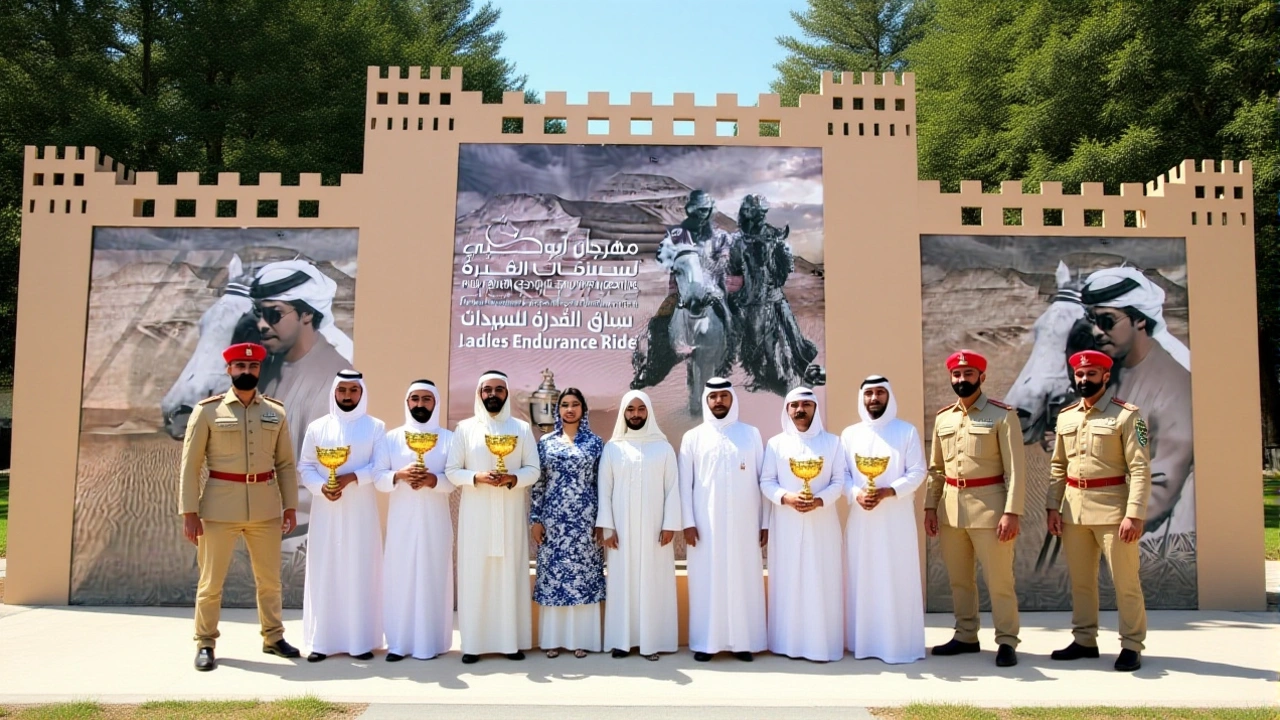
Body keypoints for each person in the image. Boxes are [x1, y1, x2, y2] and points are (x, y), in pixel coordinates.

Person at [179, 342, 301, 672]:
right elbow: (190, 466)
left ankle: (273, 637)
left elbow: (286, 464)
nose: (247, 372)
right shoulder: (207, 411)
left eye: (253, 368)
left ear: (260, 370)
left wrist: (290, 506)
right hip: (218, 508)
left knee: (270, 580)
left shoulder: (275, 412)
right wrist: (189, 513)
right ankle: (205, 642)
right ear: (229, 370)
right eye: (240, 367)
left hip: (265, 507)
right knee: (211, 581)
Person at [1047, 350, 1151, 672]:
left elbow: (1140, 468)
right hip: (1074, 511)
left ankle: (1132, 645)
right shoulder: (1066, 416)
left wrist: (1133, 514)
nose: (1083, 379)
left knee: (1125, 581)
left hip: (1113, 511)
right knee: (1081, 582)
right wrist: (1053, 506)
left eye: (1091, 374)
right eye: (1079, 374)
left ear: (1105, 376)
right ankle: (1084, 640)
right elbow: (1058, 466)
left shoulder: (1127, 416)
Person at [925, 350, 1027, 667]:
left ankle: (1007, 640)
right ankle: (966, 635)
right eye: (956, 375)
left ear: (982, 377)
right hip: (951, 509)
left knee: (999, 580)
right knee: (959, 580)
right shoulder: (944, 418)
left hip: (991, 508)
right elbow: (936, 469)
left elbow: (1017, 470)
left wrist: (1012, 512)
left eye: (968, 374)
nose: (961, 380)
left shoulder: (1002, 415)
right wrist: (930, 507)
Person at [250, 260, 355, 557]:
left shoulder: (334, 378)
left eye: (274, 314)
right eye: (259, 313)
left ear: (308, 313)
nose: (262, 324)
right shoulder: (270, 370)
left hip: (296, 534)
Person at [1082, 267, 1193, 536]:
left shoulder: (1173, 384)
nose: (1097, 332)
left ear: (1139, 319)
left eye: (1107, 321)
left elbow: (1163, 484)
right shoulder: (1112, 374)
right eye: (1092, 320)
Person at [445, 370, 541, 664]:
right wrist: (477, 477)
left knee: (509, 577)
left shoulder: (521, 429)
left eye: (499, 390)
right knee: (476, 578)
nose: (493, 395)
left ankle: (511, 643)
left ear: (507, 394)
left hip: (510, 517)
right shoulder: (465, 429)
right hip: (476, 520)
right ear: (479, 393)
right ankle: (473, 644)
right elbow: (451, 471)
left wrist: (513, 478)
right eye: (487, 390)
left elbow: (533, 470)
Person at [297, 370, 386, 662]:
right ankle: (321, 641)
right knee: (326, 571)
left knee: (359, 570)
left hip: (360, 513)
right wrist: (321, 487)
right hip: (326, 511)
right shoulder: (317, 427)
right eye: (342, 391)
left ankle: (360, 642)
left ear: (362, 393)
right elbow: (306, 466)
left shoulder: (375, 427)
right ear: (334, 392)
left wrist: (351, 478)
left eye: (353, 391)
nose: (347, 396)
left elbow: (379, 466)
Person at [679, 377, 768, 662]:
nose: (719, 402)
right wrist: (687, 522)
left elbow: (762, 481)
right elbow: (684, 485)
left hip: (745, 526)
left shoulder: (751, 434)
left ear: (732, 399)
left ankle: (744, 642)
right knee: (707, 581)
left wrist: (764, 523)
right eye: (713, 397)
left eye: (724, 397)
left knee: (744, 580)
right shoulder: (693, 437)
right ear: (706, 401)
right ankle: (706, 643)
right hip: (706, 527)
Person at [841, 376, 927, 664]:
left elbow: (918, 472)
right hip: (862, 521)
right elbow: (841, 476)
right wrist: (856, 493)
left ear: (889, 396)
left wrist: (889, 491)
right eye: (869, 393)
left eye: (879, 393)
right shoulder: (849, 434)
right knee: (863, 578)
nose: (874, 398)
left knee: (896, 577)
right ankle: (863, 643)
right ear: (862, 398)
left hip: (896, 520)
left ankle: (898, 644)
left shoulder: (906, 431)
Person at [760, 387, 847, 662]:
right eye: (794, 405)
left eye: (806, 405)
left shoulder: (833, 443)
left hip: (822, 525)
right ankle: (786, 643)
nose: (800, 410)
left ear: (815, 408)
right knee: (788, 581)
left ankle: (822, 644)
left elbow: (839, 481)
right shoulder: (775, 444)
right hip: (785, 523)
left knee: (821, 580)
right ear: (787, 410)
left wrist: (819, 500)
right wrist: (786, 498)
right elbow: (766, 481)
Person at [596, 390, 681, 661]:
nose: (635, 414)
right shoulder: (613, 448)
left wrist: (670, 524)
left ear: (648, 412)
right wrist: (607, 527)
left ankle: (651, 641)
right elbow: (605, 490)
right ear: (623, 413)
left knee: (653, 583)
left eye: (640, 409)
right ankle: (622, 641)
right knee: (622, 583)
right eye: (630, 409)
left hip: (655, 532)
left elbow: (672, 490)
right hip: (621, 532)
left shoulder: (663, 447)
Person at [375, 380, 454, 661]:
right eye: (415, 399)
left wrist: (434, 480)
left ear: (436, 403)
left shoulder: (448, 438)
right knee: (401, 577)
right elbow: (378, 477)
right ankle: (399, 642)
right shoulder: (391, 438)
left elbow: (455, 479)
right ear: (407, 402)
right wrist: (399, 475)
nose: (420, 404)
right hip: (402, 523)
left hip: (435, 521)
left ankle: (431, 642)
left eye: (427, 399)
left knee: (433, 576)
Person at [631, 190, 734, 390]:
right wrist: (673, 260)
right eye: (699, 210)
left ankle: (725, 365)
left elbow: (725, 255)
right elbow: (661, 257)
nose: (703, 214)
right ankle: (651, 369)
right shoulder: (678, 234)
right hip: (680, 291)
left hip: (712, 289)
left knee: (731, 322)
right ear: (692, 210)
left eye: (706, 210)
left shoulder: (719, 235)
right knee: (658, 324)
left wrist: (720, 262)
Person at [531, 388, 606, 658]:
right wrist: (536, 519)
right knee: (554, 577)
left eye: (575, 405)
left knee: (582, 577)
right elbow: (539, 484)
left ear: (583, 410)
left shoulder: (596, 443)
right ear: (558, 410)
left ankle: (581, 640)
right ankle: (553, 640)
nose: (570, 409)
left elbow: (602, 484)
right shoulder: (546, 443)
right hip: (554, 523)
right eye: (565, 405)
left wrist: (602, 521)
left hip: (585, 522)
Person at [726, 195, 820, 396]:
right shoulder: (739, 242)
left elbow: (785, 263)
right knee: (755, 339)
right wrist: (737, 292)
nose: (758, 217)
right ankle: (766, 377)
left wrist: (777, 278)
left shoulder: (773, 236)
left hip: (774, 296)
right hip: (751, 299)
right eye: (754, 213)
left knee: (789, 334)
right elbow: (733, 269)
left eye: (761, 213)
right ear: (746, 214)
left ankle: (791, 374)